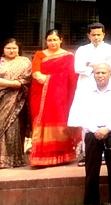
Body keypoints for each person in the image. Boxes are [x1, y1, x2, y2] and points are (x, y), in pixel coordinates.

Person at [74, 63, 111, 205]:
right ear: (93, 75)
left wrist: (107, 129)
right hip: (92, 133)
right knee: (91, 172)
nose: (100, 75)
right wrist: (94, 129)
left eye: (103, 72)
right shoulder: (85, 93)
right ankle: (91, 202)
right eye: (97, 73)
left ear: (110, 74)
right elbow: (81, 115)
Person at [29, 29, 79, 167]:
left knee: (61, 121)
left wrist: (50, 80)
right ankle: (42, 157)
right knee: (42, 121)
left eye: (55, 39)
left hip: (62, 97)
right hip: (42, 97)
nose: (52, 42)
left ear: (61, 40)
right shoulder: (40, 55)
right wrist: (52, 80)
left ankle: (62, 156)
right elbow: (36, 74)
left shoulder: (68, 56)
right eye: (49, 40)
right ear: (46, 41)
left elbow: (72, 78)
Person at [70, 22, 111, 166]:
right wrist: (96, 67)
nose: (96, 37)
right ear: (88, 35)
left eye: (99, 34)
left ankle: (103, 153)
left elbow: (109, 66)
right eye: (93, 34)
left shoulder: (109, 48)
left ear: (103, 34)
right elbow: (78, 68)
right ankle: (86, 152)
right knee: (86, 119)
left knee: (103, 116)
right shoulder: (82, 50)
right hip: (86, 86)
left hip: (104, 87)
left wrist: (90, 64)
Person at [0, 38, 31, 168]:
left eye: (14, 48)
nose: (11, 50)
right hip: (1, 99)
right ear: (3, 49)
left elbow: (25, 81)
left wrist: (4, 83)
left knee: (13, 128)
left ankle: (12, 159)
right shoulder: (0, 62)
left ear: (19, 50)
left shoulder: (24, 62)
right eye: (8, 48)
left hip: (16, 100)